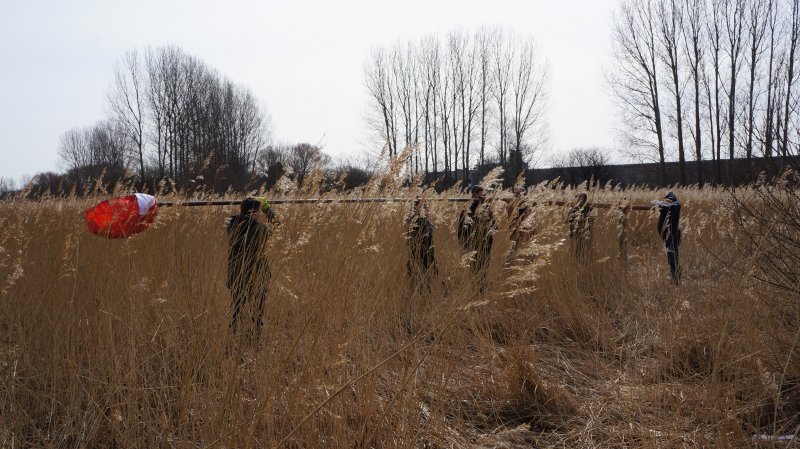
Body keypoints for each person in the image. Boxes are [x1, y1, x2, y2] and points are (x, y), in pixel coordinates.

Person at [226, 197, 273, 341]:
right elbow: (278, 225)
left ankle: (232, 337)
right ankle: (256, 339)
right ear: (254, 212)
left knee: (236, 310)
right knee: (257, 312)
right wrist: (268, 211)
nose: (260, 214)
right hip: (255, 275)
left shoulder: (232, 226)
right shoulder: (259, 229)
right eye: (259, 211)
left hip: (236, 275)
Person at [458, 186, 497, 292]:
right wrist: (464, 246)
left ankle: (482, 287)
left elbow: (494, 223)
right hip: (472, 243)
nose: (482, 195)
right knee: (474, 267)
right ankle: (476, 288)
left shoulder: (487, 207)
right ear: (474, 194)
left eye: (482, 193)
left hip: (486, 243)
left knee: (484, 265)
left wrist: (492, 229)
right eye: (479, 193)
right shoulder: (467, 208)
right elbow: (460, 229)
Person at [404, 197, 437, 292]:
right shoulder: (415, 223)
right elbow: (415, 243)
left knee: (427, 286)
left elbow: (431, 244)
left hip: (427, 259)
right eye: (425, 208)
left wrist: (434, 262)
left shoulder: (427, 222)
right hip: (419, 259)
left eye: (427, 208)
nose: (428, 210)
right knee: (418, 286)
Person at [654, 191, 681, 284]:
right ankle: (674, 277)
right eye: (666, 200)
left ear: (673, 200)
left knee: (673, 256)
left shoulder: (676, 205)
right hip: (668, 236)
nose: (667, 202)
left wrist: (664, 204)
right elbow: (654, 202)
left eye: (669, 200)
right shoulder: (665, 207)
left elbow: (671, 206)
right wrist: (660, 203)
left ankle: (675, 279)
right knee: (671, 257)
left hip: (673, 235)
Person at [506, 186, 533, 264]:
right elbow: (509, 216)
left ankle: (526, 264)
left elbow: (529, 215)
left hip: (525, 230)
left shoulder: (527, 203)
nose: (516, 195)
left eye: (518, 193)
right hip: (514, 230)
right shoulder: (511, 203)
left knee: (525, 247)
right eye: (515, 193)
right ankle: (510, 264)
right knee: (513, 247)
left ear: (523, 193)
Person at [567, 192, 595, 259]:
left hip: (586, 232)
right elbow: (568, 219)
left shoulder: (588, 208)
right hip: (576, 232)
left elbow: (592, 219)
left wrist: (585, 219)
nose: (579, 198)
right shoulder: (574, 208)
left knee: (587, 248)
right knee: (577, 249)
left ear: (585, 199)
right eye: (578, 197)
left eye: (581, 197)